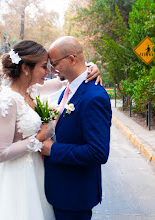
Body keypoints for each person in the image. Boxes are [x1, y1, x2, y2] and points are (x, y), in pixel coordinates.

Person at [0, 40, 101, 220]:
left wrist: (89, 67)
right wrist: (39, 139)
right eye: (43, 66)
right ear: (26, 68)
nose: (48, 71)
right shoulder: (8, 100)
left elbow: (66, 79)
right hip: (16, 174)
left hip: (38, 171)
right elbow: (1, 153)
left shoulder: (32, 90)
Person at [41, 36, 112, 220]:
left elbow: (98, 153)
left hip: (74, 196)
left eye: (54, 63)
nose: (52, 69)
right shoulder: (69, 88)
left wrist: (53, 149)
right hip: (60, 190)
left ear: (72, 59)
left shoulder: (94, 96)